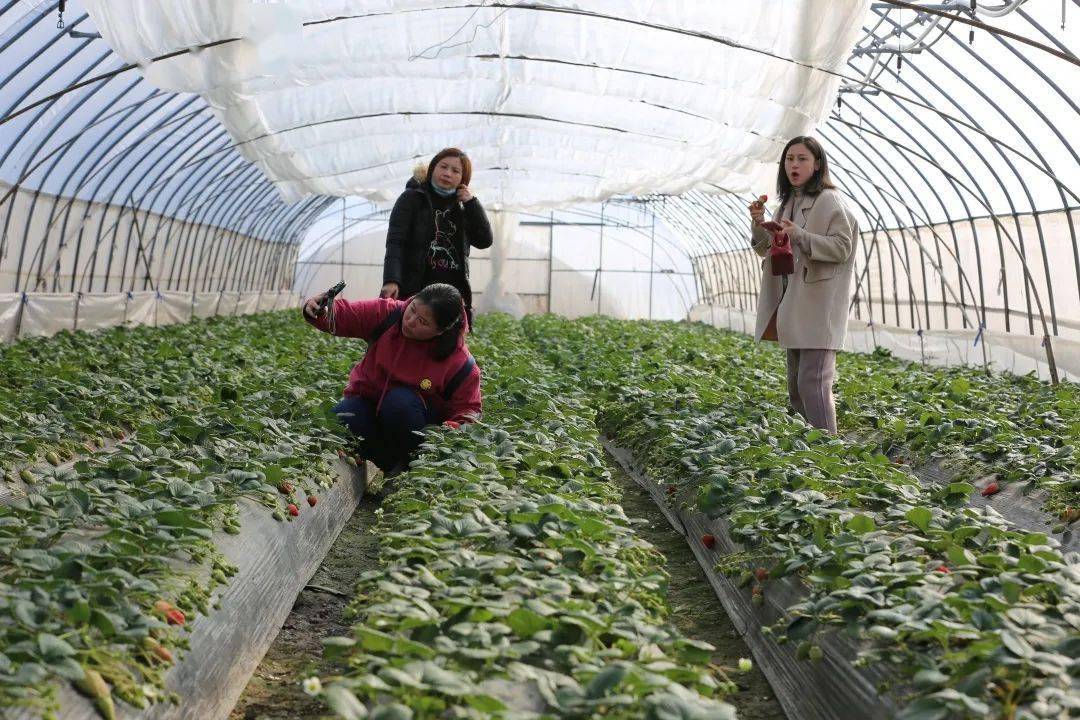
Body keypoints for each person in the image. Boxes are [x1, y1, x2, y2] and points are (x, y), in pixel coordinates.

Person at [303, 282, 482, 475]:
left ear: (441, 331)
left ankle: (409, 468)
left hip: (413, 429)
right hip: (370, 409)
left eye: (423, 322)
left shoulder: (459, 362)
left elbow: (468, 411)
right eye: (412, 309)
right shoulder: (388, 314)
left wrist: (454, 428)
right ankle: (383, 464)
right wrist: (320, 309)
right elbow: (344, 315)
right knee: (340, 419)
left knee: (399, 402)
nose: (410, 321)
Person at [749, 136, 859, 433]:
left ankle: (829, 449)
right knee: (797, 388)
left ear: (818, 164)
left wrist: (799, 235)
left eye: (802, 159)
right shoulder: (786, 204)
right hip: (794, 302)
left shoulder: (828, 200)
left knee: (813, 382)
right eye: (789, 159)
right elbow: (766, 247)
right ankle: (813, 447)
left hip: (818, 306)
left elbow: (842, 247)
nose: (794, 165)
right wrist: (759, 223)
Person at [381, 148, 493, 328]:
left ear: (463, 179)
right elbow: (396, 242)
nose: (448, 173)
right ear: (433, 168)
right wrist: (391, 280)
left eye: (455, 171)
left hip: (451, 292)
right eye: (443, 167)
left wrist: (472, 203)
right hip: (415, 287)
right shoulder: (412, 198)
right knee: (409, 332)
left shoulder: (464, 207)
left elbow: (484, 241)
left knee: (446, 340)